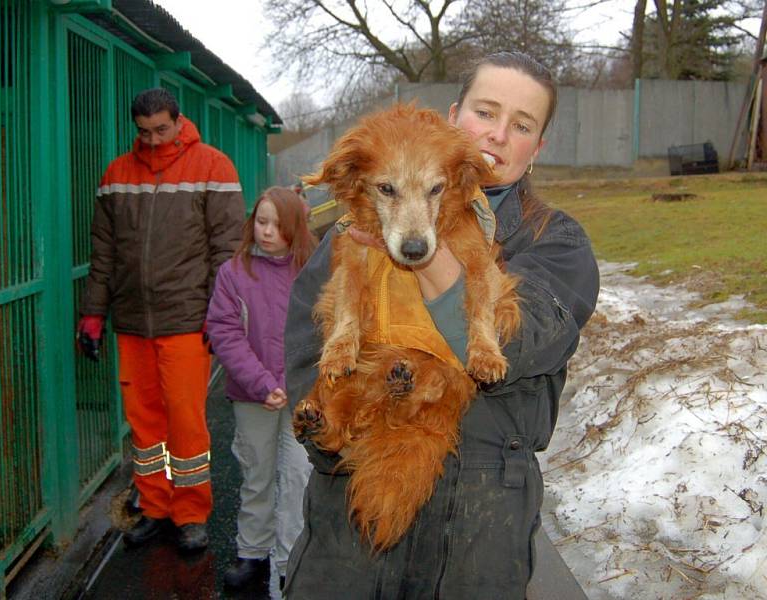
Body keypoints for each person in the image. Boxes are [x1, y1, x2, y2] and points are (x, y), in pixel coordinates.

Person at [282, 51, 600, 598]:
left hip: (477, 540)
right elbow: (306, 354)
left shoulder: (557, 241)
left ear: (537, 148)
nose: (498, 135)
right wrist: (333, 436)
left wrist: (424, 252)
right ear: (453, 117)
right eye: (485, 111)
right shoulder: (355, 229)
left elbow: (521, 347)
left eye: (521, 125)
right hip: (348, 537)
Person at [77, 88, 244, 553]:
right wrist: (93, 313)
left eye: (162, 130)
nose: (152, 140)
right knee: (144, 425)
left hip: (186, 319)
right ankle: (154, 506)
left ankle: (191, 513)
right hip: (131, 320)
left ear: (179, 121)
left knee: (186, 422)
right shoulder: (116, 174)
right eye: (144, 131)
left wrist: (220, 312)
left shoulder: (213, 167)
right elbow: (104, 251)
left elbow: (226, 250)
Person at [205, 187, 317, 591]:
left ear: (295, 228)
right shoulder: (234, 273)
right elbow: (225, 333)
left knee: (298, 476)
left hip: (302, 396)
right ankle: (252, 553)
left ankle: (289, 558)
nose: (267, 232)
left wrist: (291, 382)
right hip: (253, 396)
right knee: (256, 474)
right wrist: (264, 383)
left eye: (277, 225)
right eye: (261, 221)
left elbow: (321, 330)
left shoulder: (313, 270)